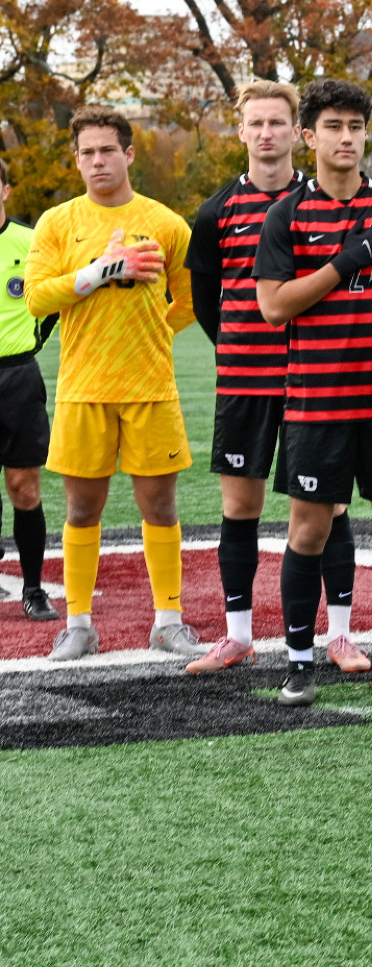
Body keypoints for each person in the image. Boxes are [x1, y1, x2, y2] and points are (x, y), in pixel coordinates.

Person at [244, 79, 372, 704]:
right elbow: (272, 308)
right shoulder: (286, 214)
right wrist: (343, 264)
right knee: (308, 534)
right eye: (333, 127)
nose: (345, 138)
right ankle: (299, 661)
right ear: (309, 136)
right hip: (317, 402)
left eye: (355, 127)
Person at [185, 80, 360, 677]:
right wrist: (242, 349)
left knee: (328, 508)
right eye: (255, 123)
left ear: (296, 132)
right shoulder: (215, 211)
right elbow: (207, 303)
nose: (266, 133)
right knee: (241, 506)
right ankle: (236, 636)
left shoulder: (319, 203)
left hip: (316, 381)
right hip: (244, 380)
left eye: (276, 123)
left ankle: (339, 635)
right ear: (241, 131)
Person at [26, 106, 195, 661]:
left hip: (150, 387)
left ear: (129, 154)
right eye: (86, 153)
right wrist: (100, 271)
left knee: (161, 507)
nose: (97, 161)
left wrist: (154, 332)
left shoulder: (167, 223)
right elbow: (36, 298)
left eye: (106, 150)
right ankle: (79, 625)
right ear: (77, 161)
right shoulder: (57, 222)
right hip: (82, 388)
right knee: (81, 510)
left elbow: (190, 300)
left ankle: (168, 620)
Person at [0, 158, 58, 623]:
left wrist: (35, 339)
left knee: (24, 486)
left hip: (17, 378)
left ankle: (34, 588)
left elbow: (53, 296)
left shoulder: (30, 241)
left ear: (5, 190)